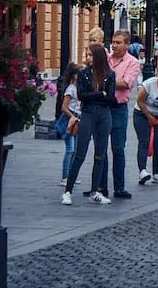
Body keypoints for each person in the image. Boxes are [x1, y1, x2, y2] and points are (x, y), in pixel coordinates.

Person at [61, 44, 116, 205]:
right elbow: (82, 95)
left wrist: (99, 96)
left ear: (98, 57)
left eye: (90, 55)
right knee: (80, 153)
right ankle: (68, 191)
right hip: (88, 114)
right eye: (87, 55)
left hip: (104, 115)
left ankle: (95, 190)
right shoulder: (83, 74)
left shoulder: (109, 74)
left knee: (100, 153)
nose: (87, 58)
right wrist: (100, 93)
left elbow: (111, 98)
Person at [95, 30, 140, 200]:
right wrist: (109, 82)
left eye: (118, 42)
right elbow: (95, 76)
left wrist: (105, 81)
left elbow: (125, 83)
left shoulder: (133, 63)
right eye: (113, 42)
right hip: (102, 107)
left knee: (118, 148)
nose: (114, 45)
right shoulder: (105, 59)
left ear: (127, 45)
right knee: (101, 148)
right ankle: (100, 186)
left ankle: (119, 187)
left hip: (119, 108)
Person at [59, 63, 82, 188]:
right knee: (70, 149)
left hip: (78, 119)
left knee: (76, 150)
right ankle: (65, 177)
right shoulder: (70, 89)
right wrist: (71, 116)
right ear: (74, 76)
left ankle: (72, 176)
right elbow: (63, 107)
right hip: (70, 119)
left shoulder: (79, 88)